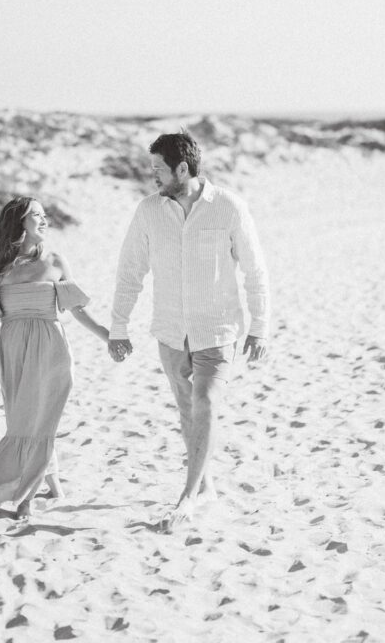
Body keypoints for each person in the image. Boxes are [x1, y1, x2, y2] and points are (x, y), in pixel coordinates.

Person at [108, 131, 270, 530]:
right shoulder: (148, 211)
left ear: (183, 168)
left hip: (218, 330)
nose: (154, 179)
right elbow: (130, 270)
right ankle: (207, 486)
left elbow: (255, 269)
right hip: (169, 332)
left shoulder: (229, 207)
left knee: (207, 404)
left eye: (159, 171)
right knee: (188, 413)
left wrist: (260, 326)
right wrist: (118, 326)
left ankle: (186, 498)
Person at [0, 196, 108, 520]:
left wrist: (106, 335)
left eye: (46, 216)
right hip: (14, 350)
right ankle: (51, 482)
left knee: (41, 422)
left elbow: (77, 309)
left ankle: (26, 498)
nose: (44, 221)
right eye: (37, 216)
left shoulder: (56, 261)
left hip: (52, 350)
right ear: (19, 222)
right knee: (22, 422)